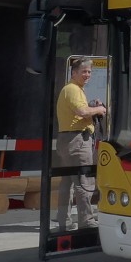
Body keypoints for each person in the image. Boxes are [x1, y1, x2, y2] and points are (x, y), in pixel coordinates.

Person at [55, 58, 106, 231]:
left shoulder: (70, 89)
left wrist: (91, 106)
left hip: (67, 139)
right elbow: (82, 112)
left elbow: (78, 112)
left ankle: (64, 221)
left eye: (89, 72)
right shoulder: (73, 89)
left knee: (67, 182)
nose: (87, 75)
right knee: (84, 182)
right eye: (84, 71)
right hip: (77, 140)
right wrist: (99, 109)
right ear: (74, 73)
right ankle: (86, 221)